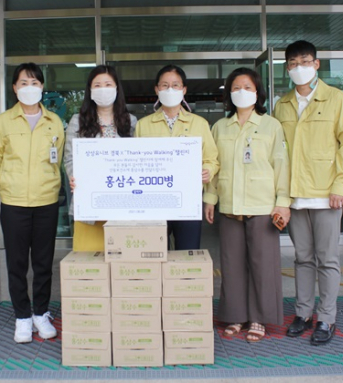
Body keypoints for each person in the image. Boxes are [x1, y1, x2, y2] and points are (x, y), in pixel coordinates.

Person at [274, 40, 343, 346]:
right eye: (293, 64)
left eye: (305, 61)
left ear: (316, 64)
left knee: (327, 259)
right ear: (287, 68)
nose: (300, 68)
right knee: (302, 258)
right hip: (295, 194)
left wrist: (340, 185)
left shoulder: (338, 100)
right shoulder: (282, 105)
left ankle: (326, 317)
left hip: (327, 193)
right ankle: (303, 313)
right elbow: (279, 151)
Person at [204, 68, 291, 343]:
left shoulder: (271, 126)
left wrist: (283, 203)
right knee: (231, 264)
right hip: (230, 205)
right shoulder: (220, 127)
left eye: (248, 87)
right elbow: (214, 166)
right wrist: (210, 198)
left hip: (262, 206)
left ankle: (259, 318)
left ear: (257, 92)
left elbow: (281, 165)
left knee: (263, 265)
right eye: (236, 87)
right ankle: (236, 316)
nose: (242, 92)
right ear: (229, 93)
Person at [0, 63, 65, 344]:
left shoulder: (54, 122)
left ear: (42, 87)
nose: (29, 87)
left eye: (34, 82)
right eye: (23, 82)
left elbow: (58, 158)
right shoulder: (3, 122)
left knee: (43, 262)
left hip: (46, 200)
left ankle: (41, 313)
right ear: (14, 87)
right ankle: (22, 316)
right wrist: (9, 186)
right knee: (17, 262)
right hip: (14, 202)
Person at [135, 64, 219, 250]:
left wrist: (208, 170)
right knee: (154, 254)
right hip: (154, 202)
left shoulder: (199, 124)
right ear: (157, 89)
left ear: (184, 89)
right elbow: (136, 164)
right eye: (164, 85)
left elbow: (211, 159)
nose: (170, 90)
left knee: (187, 255)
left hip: (188, 202)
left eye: (175, 85)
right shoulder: (143, 125)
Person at [64, 65, 137, 251]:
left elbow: (137, 161)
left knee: (121, 259)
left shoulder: (131, 121)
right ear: (90, 90)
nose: (103, 89)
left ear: (117, 89)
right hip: (89, 205)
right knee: (88, 261)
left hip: (122, 205)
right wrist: (74, 177)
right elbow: (70, 159)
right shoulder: (77, 121)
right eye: (97, 85)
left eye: (108, 84)